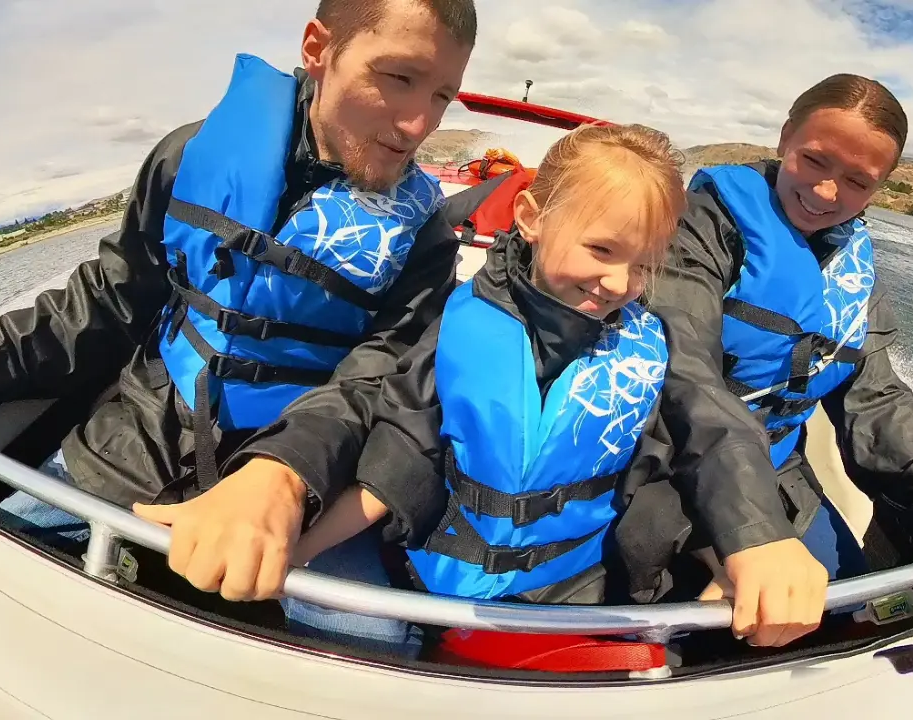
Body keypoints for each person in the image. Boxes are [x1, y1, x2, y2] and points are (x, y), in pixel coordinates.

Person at [0, 0, 477, 649]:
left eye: (442, 96)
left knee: (374, 645)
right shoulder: (187, 156)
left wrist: (284, 474)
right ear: (317, 48)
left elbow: (379, 375)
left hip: (302, 472)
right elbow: (107, 296)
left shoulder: (426, 237)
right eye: (398, 77)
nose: (418, 123)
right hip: (132, 443)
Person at [282, 123, 824, 651]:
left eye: (643, 266)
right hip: (441, 584)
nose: (619, 283)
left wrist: (736, 558)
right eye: (602, 250)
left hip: (579, 596)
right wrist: (296, 552)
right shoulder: (459, 328)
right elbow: (396, 463)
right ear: (530, 218)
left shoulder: (647, 351)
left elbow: (673, 473)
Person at [637, 73, 913, 643]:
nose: (827, 193)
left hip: (778, 466)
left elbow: (874, 397)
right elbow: (685, 370)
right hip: (664, 461)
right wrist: (753, 532)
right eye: (815, 160)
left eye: (857, 181)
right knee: (686, 639)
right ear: (785, 138)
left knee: (845, 613)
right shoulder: (702, 224)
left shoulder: (853, 265)